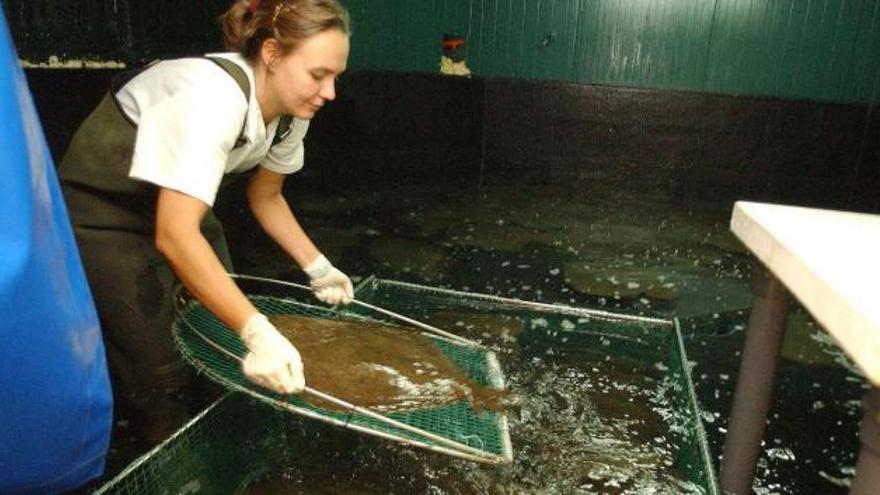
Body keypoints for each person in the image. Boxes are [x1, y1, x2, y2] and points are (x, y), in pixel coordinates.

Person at [58, 0, 353, 442]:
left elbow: (266, 196)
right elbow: (174, 235)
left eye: (335, 77)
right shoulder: (211, 96)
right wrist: (259, 332)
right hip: (105, 214)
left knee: (223, 334)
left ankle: (224, 439)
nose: (329, 92)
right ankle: (167, 454)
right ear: (271, 54)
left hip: (181, 209)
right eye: (318, 74)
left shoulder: (293, 115)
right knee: (161, 369)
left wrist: (319, 267)